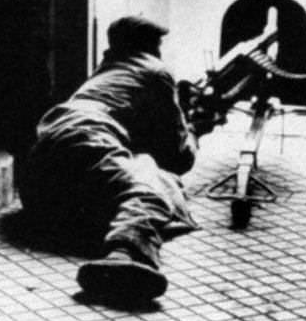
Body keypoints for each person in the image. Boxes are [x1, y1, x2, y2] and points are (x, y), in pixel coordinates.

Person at [19, 16, 198, 304]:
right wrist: (194, 130)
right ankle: (124, 255)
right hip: (88, 137)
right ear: (150, 47)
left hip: (42, 163)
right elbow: (178, 157)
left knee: (136, 168)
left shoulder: (106, 71)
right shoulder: (155, 70)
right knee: (151, 185)